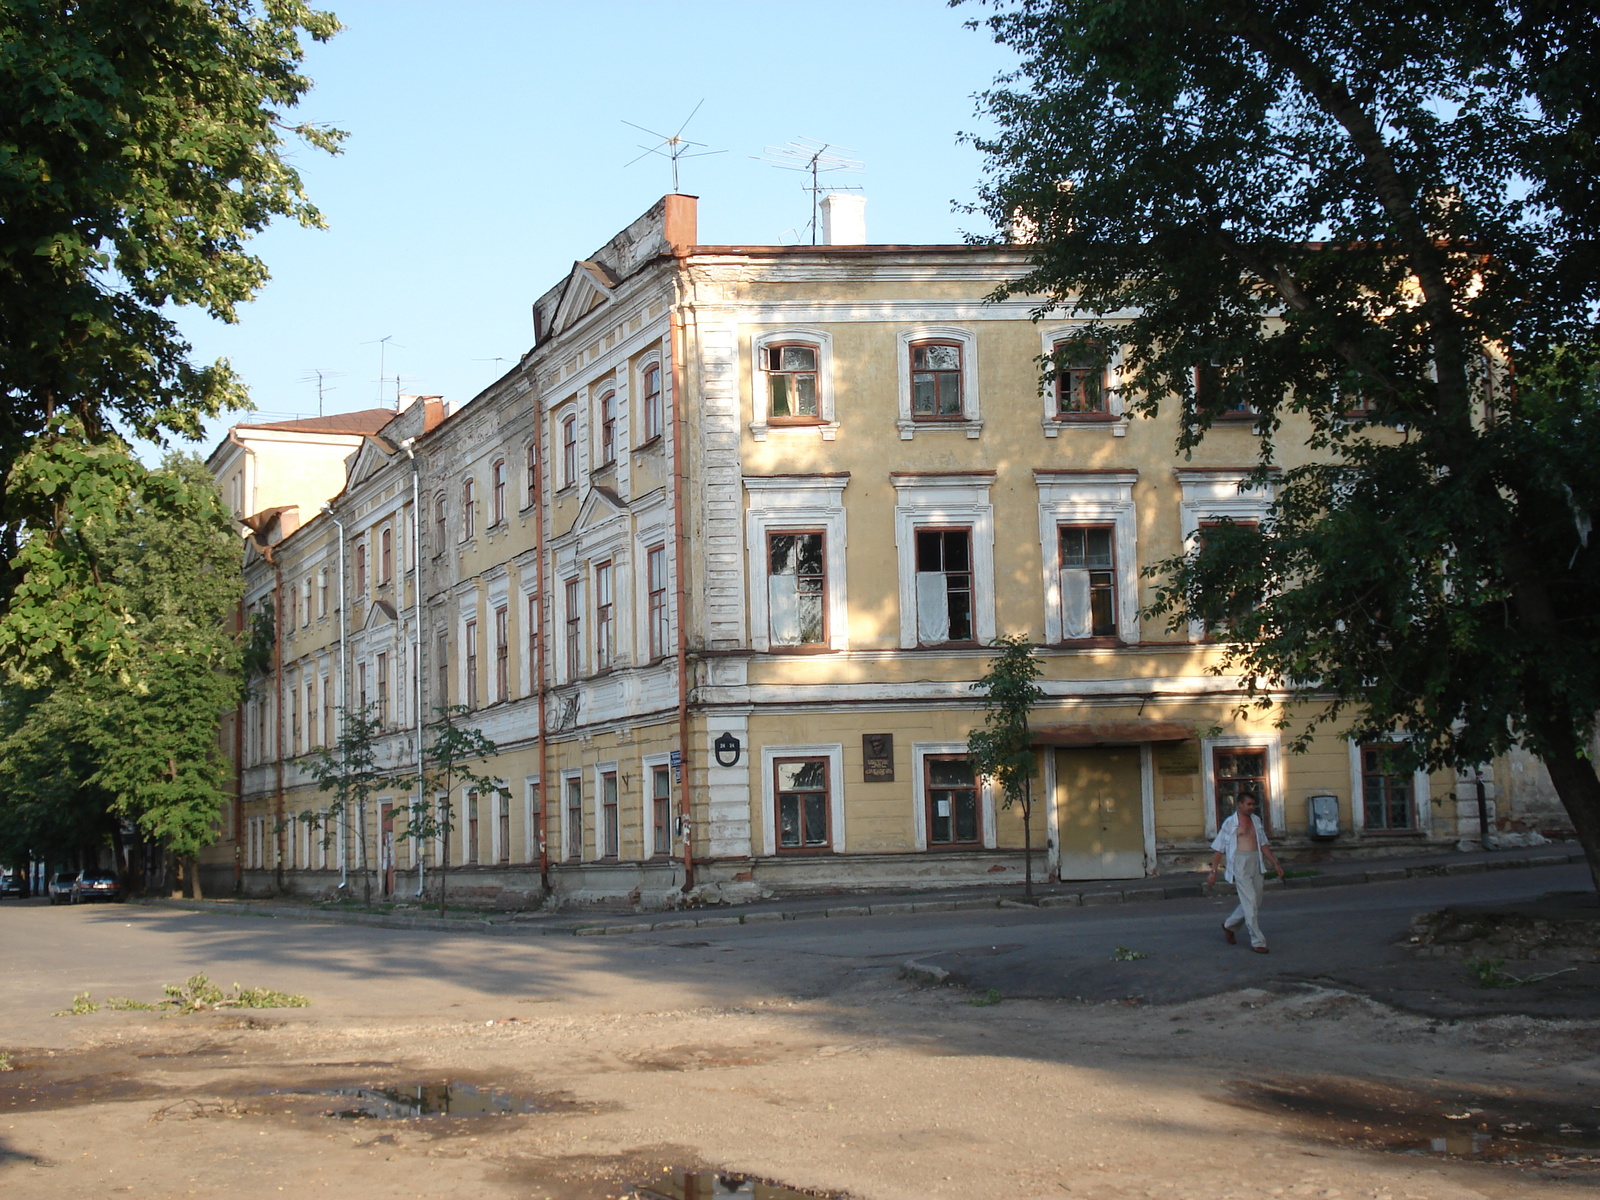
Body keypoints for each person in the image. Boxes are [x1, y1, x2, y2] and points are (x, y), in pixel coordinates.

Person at [1206, 792, 1284, 953]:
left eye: (1253, 804)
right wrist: (1213, 871)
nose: (1251, 807)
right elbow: (1219, 848)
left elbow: (1263, 844)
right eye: (1248, 804)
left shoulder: (1256, 820)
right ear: (1239, 804)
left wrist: (1275, 863)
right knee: (1250, 902)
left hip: (1256, 862)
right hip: (1240, 863)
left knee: (1255, 901)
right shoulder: (1231, 823)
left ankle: (1229, 925)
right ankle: (1258, 942)